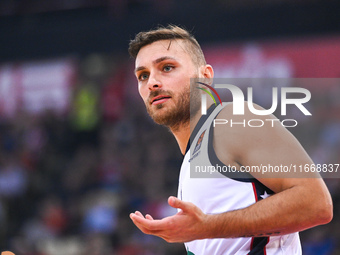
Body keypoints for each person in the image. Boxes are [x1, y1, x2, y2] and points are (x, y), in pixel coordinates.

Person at [128, 25, 333, 254]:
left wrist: (207, 227)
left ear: (205, 77)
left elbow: (315, 203)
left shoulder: (233, 120)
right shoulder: (192, 157)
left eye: (167, 67)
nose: (152, 83)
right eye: (143, 75)